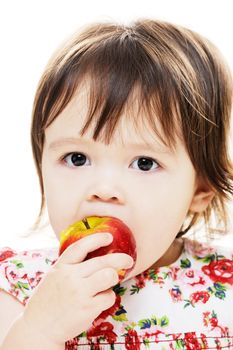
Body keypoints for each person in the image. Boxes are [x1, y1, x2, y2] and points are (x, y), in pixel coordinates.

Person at [0, 18, 233, 350]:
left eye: (144, 163)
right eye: (77, 158)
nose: (104, 188)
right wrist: (39, 332)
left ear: (201, 189)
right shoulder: (18, 285)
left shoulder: (225, 287)